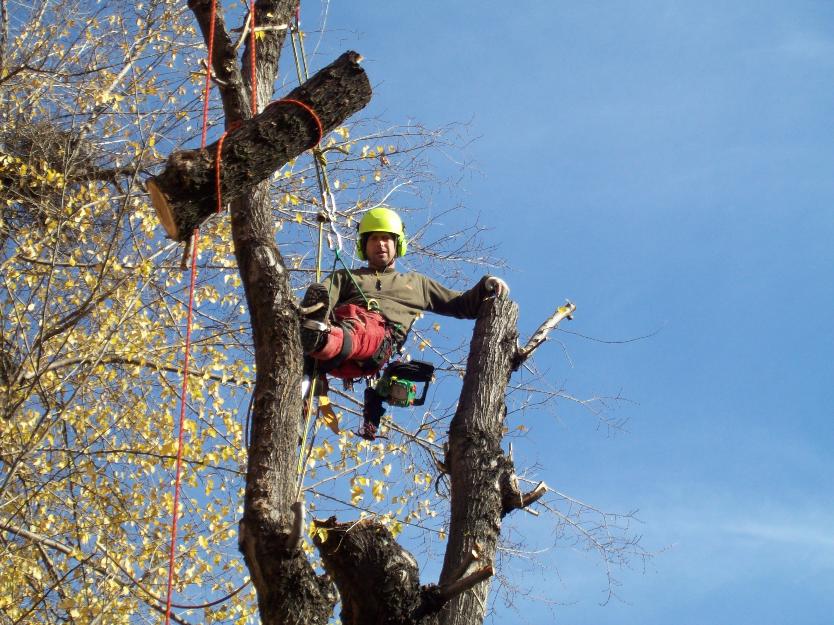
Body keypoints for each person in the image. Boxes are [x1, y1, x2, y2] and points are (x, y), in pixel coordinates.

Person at [299, 207, 508, 438]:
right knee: (328, 313)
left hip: (375, 341)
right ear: (364, 246)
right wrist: (315, 317)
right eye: (374, 239)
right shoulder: (346, 276)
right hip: (336, 345)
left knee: (363, 327)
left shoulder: (416, 284)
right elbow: (322, 301)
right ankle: (314, 348)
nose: (380, 244)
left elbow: (461, 304)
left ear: (397, 244)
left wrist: (486, 285)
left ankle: (320, 338)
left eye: (386, 239)